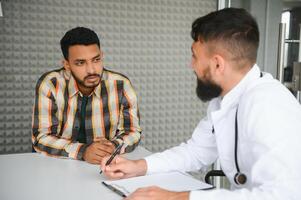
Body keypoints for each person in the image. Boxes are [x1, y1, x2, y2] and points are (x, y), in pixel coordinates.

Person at [101, 8, 301, 200]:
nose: (191, 65)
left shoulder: (269, 105)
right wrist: (139, 165)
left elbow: (285, 195)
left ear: (217, 64)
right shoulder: (224, 99)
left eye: (195, 56)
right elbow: (197, 151)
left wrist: (177, 197)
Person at [32, 27, 142, 164]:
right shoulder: (50, 84)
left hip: (102, 165)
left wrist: (113, 146)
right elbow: (40, 138)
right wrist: (83, 151)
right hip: (58, 164)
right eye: (80, 63)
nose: (91, 70)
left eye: (96, 60)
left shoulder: (121, 84)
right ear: (66, 64)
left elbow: (133, 132)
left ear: (101, 55)